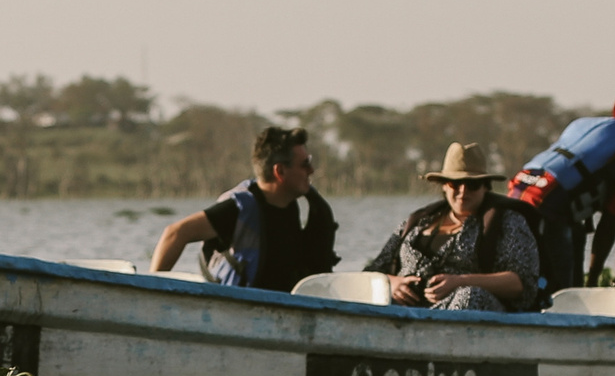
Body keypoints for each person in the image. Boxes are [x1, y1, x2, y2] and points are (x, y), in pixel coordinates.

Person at [505, 68, 615, 302]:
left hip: (516, 191)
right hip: (550, 207)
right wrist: (593, 282)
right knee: (563, 294)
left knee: (526, 267)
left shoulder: (584, 124)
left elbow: (575, 180)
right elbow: (606, 226)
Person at [151, 125, 338, 290]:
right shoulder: (238, 209)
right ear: (279, 171)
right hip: (237, 308)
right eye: (305, 164)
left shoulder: (297, 207)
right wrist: (152, 290)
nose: (312, 170)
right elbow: (175, 233)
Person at [362, 141, 539, 312]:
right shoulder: (418, 222)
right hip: (405, 310)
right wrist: (392, 283)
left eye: (472, 185)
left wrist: (460, 281)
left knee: (470, 296)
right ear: (444, 186)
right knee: (375, 293)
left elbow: (520, 283)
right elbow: (371, 272)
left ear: (485, 187)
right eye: (455, 184)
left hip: (467, 310)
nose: (463, 191)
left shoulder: (507, 222)